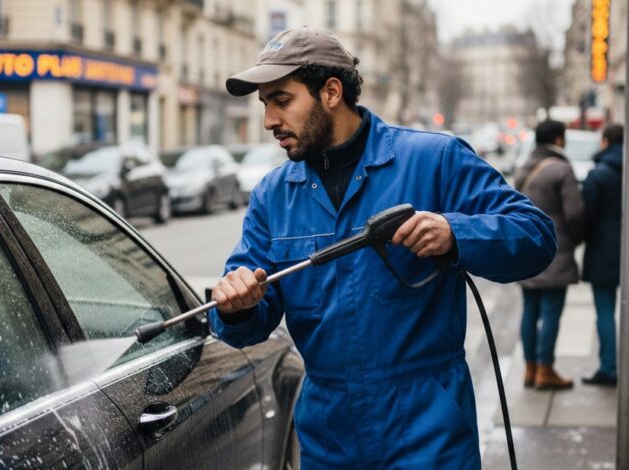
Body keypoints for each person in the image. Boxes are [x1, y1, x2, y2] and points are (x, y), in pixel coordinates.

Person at [208, 26, 556, 468]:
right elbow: (247, 319)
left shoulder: (434, 160)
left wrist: (455, 233)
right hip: (329, 439)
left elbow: (536, 234)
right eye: (265, 105)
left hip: (428, 433)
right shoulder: (272, 197)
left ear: (331, 92)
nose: (269, 121)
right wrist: (236, 307)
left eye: (282, 100)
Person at [513, 120, 585, 390]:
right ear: (558, 140)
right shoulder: (561, 169)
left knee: (529, 310)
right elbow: (575, 214)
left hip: (526, 249)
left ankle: (529, 369)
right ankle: (545, 369)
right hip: (556, 250)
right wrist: (577, 239)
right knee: (551, 311)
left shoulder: (523, 168)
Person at [581, 124, 623, 387]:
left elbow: (586, 215)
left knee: (605, 310)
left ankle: (608, 368)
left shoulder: (599, 174)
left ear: (606, 141)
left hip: (603, 250)